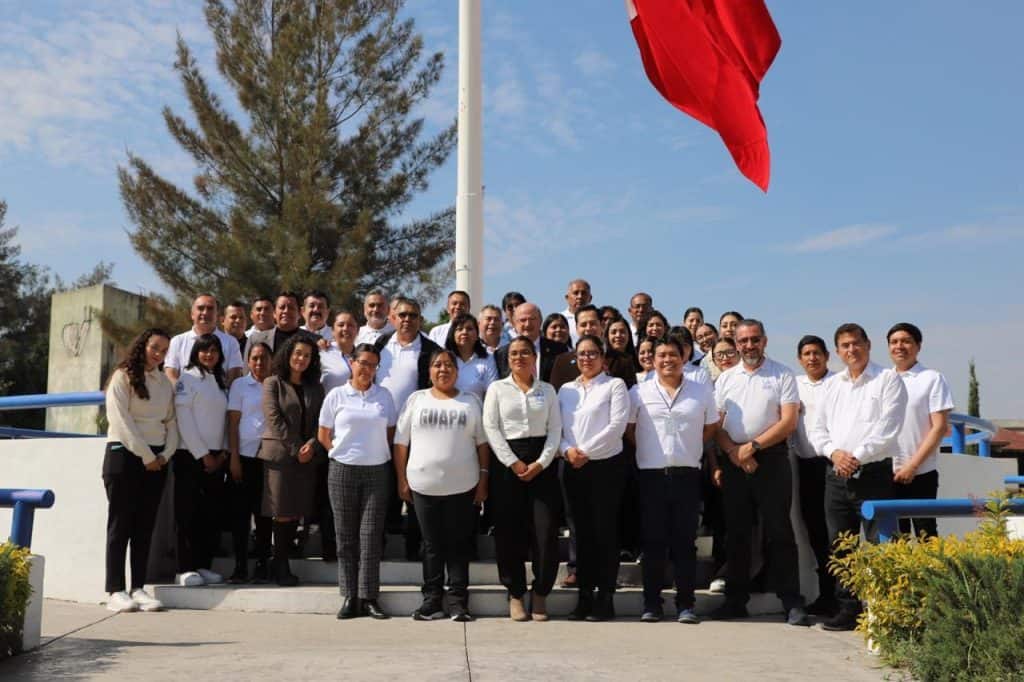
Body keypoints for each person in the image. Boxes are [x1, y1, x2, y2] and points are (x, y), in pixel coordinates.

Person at [809, 323, 907, 631]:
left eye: (856, 344)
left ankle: (886, 611)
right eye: (845, 346)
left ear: (867, 344)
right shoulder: (832, 385)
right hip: (835, 474)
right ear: (837, 352)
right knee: (840, 546)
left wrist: (856, 457)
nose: (851, 350)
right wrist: (835, 453)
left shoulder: (888, 380)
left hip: (873, 474)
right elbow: (817, 429)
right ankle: (848, 609)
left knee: (880, 543)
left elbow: (888, 428)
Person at [713, 319, 809, 626]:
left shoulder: (782, 374)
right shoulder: (726, 378)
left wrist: (752, 448)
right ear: (736, 343)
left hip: (771, 459)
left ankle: (791, 601)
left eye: (755, 340)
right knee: (737, 533)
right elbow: (717, 425)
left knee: (779, 531)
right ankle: (735, 600)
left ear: (764, 341)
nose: (749, 346)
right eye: (743, 341)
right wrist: (735, 453)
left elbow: (788, 421)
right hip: (735, 461)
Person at [626, 336, 718, 624]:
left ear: (684, 358)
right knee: (652, 542)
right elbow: (629, 431)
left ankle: (685, 604)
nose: (667, 360)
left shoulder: (701, 391)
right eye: (661, 355)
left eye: (673, 355)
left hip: (687, 475)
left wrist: (687, 448)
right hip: (651, 475)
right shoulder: (637, 392)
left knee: (684, 542)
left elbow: (710, 427)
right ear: (652, 360)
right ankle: (652, 603)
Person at [394, 349, 490, 621]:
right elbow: (401, 443)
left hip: (463, 486)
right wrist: (402, 480)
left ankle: (459, 603)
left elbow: (482, 444)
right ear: (429, 371)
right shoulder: (416, 400)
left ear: (457, 372)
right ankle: (432, 601)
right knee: (431, 545)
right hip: (423, 487)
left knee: (459, 545)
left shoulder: (470, 401)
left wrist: (483, 480)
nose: (443, 369)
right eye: (437, 365)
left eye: (449, 365)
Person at [482, 336, 563, 622]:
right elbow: (490, 427)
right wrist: (513, 462)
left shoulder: (548, 390)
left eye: (525, 352)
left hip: (543, 463)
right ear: (507, 359)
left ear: (534, 357)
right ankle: (515, 592)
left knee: (545, 531)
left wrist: (541, 463)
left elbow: (556, 430)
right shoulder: (497, 389)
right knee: (508, 531)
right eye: (514, 353)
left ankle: (540, 592)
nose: (519, 357)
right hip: (508, 463)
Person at [318, 343, 397, 620]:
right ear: (352, 363)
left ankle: (369, 596)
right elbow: (323, 433)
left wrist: (371, 451)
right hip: (342, 471)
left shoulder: (384, 396)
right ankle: (350, 596)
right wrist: (339, 453)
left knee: (371, 536)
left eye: (372, 364)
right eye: (362, 362)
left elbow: (390, 432)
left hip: (376, 471)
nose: (367, 369)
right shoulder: (337, 395)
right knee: (345, 537)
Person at [102, 328, 177, 613]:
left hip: (156, 462)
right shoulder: (122, 376)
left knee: (145, 528)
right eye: (154, 347)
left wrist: (165, 454)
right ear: (142, 345)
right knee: (120, 526)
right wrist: (146, 455)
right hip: (124, 458)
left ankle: (139, 587)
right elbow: (120, 421)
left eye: (164, 351)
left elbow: (171, 421)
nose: (158, 354)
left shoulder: (163, 383)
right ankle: (116, 590)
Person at [558, 335, 630, 621]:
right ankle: (584, 596)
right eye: (582, 354)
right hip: (572, 467)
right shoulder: (565, 390)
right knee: (580, 534)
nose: (587, 359)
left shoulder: (615, 385)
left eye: (592, 354)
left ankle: (605, 597)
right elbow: (558, 428)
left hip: (605, 467)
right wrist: (567, 451)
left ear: (603, 357)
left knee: (605, 534)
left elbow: (617, 426)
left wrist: (584, 451)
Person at [374, 297, 443, 556]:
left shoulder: (431, 350)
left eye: (413, 315)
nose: (407, 319)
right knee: (382, 489)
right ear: (392, 318)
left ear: (420, 320)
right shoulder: (380, 345)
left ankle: (414, 547)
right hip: (381, 430)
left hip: (418, 432)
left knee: (415, 489)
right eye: (402, 315)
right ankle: (380, 546)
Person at [259, 335, 326, 586]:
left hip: (307, 456)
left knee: (297, 510)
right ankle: (280, 564)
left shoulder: (316, 387)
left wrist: (313, 444)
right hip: (280, 456)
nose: (301, 359)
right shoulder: (272, 383)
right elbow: (274, 419)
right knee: (281, 511)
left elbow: (322, 418)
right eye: (298, 353)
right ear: (288, 355)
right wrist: (297, 447)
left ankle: (283, 560)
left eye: (307, 355)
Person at [172, 333, 229, 588]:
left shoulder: (220, 381)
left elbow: (225, 420)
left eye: (214, 351)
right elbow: (184, 419)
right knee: (187, 513)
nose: (209, 355)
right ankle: (184, 568)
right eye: (204, 350)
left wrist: (222, 453)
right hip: (190, 455)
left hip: (216, 457)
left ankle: (203, 565)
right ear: (196, 352)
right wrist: (202, 454)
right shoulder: (187, 378)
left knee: (210, 515)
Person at [887, 322, 954, 538]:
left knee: (926, 536)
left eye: (906, 341)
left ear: (918, 346)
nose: (899, 346)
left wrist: (912, 466)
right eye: (894, 342)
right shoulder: (882, 379)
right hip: (886, 472)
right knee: (895, 540)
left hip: (921, 472)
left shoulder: (932, 378)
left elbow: (940, 427)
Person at [788, 335, 837, 615]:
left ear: (827, 356)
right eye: (806, 353)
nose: (812, 358)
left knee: (834, 532)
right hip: (806, 465)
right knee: (815, 532)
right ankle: (825, 593)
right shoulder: (795, 385)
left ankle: (842, 595)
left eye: (817, 353)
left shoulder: (838, 383)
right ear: (800, 359)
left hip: (831, 464)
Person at [226, 342, 274, 584]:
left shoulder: (277, 385)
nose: (259, 363)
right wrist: (233, 457)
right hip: (243, 458)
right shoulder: (239, 385)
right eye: (254, 358)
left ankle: (263, 564)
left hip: (268, 458)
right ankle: (240, 566)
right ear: (248, 361)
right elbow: (233, 423)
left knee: (264, 516)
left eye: (264, 358)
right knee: (240, 516)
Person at [550, 305, 637, 391]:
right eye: (583, 325)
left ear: (602, 326)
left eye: (593, 324)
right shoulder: (562, 361)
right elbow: (555, 396)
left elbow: (630, 394)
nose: (588, 328)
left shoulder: (623, 360)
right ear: (577, 328)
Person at [166, 293, 244, 385]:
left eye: (210, 308)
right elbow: (171, 373)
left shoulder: (231, 342)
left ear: (217, 314)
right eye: (200, 308)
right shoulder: (178, 341)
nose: (205, 312)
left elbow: (234, 377)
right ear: (192, 314)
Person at [493, 303, 568, 383]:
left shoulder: (559, 350)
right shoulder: (501, 354)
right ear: (514, 324)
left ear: (540, 321)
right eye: (523, 320)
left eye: (532, 319)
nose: (528, 324)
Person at [248, 291, 320, 358]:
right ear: (274, 313)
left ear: (299, 313)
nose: (286, 311)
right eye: (282, 307)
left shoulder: (314, 340)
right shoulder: (256, 339)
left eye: (291, 308)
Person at [445, 313, 498, 401]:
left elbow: (492, 393)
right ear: (453, 335)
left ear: (477, 335)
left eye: (469, 329)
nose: (464, 332)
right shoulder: (445, 358)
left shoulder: (488, 359)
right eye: (460, 329)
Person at [320, 310, 359, 394]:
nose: (345, 328)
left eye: (350, 325)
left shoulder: (362, 355)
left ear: (357, 331)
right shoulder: (322, 353)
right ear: (333, 331)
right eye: (341, 325)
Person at [560, 279, 593, 345]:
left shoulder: (598, 319)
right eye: (576, 293)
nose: (580, 296)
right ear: (567, 298)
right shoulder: (560, 319)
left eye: (583, 293)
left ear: (590, 298)